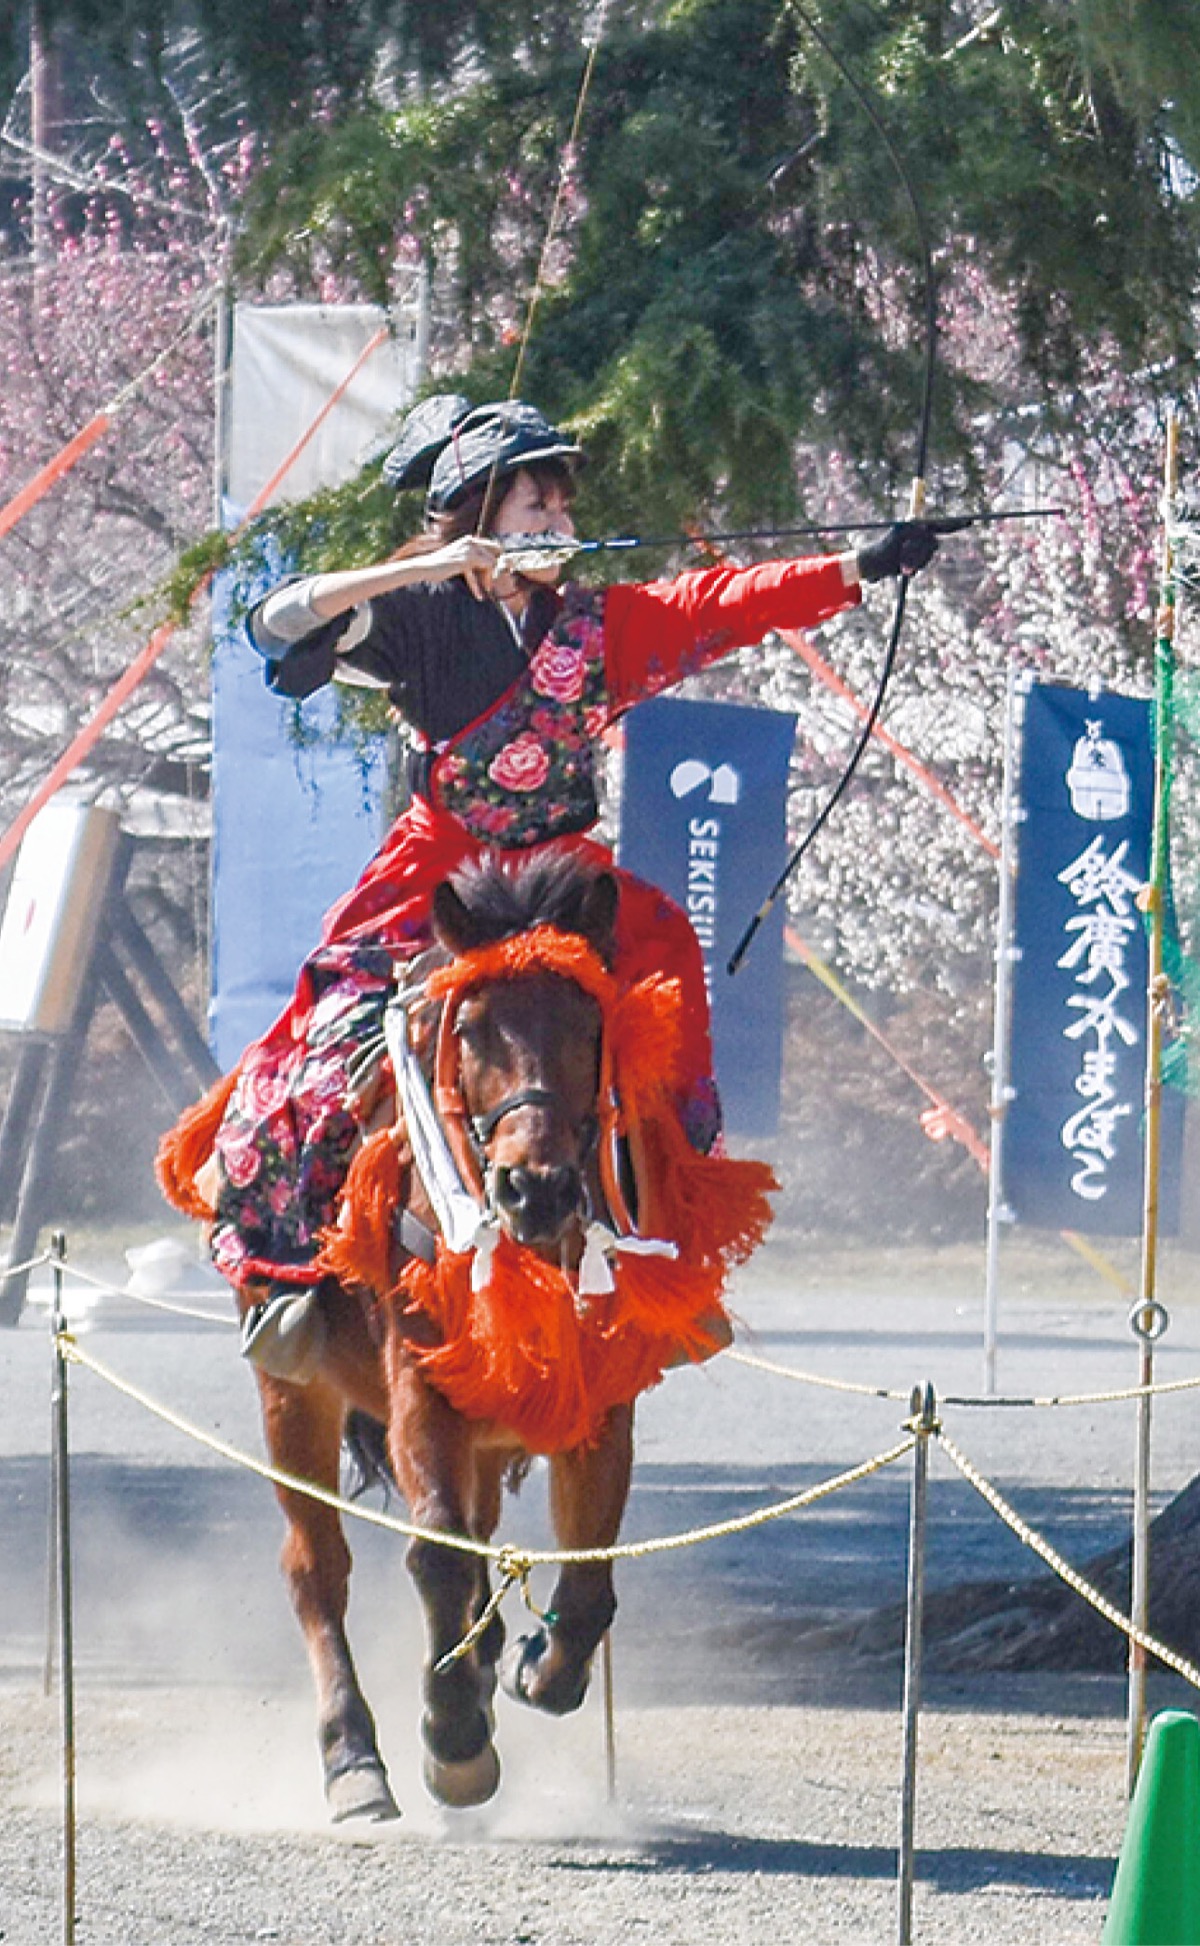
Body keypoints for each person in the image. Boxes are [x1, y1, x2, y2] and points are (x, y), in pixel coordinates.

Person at [181, 393, 938, 1378]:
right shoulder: (417, 617)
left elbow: (724, 603)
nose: (555, 528)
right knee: (326, 1046)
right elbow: (273, 620)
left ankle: (663, 1263)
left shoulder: (597, 626)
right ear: (477, 520)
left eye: (559, 512)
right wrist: (422, 567)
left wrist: (858, 567)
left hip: (563, 872)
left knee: (653, 1033)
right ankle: (294, 1278)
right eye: (531, 511)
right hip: (441, 869)